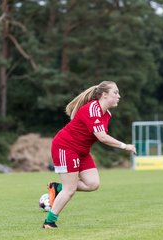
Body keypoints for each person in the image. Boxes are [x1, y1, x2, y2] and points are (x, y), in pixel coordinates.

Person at [43, 81, 136, 229]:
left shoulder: (107, 114)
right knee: (70, 190)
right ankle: (49, 222)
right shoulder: (93, 108)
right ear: (104, 95)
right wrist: (125, 146)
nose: (119, 96)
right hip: (65, 147)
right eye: (116, 92)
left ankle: (57, 188)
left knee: (93, 184)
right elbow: (102, 137)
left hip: (82, 152)